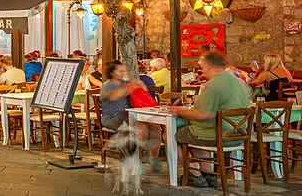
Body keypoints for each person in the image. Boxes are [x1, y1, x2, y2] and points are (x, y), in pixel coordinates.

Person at [170, 51, 251, 188]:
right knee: (194, 134)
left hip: (217, 136)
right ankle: (208, 174)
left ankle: (194, 174)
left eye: (202, 68)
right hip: (239, 136)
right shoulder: (240, 82)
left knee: (171, 135)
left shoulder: (211, 85)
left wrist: (179, 111)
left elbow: (204, 114)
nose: (202, 72)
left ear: (208, 66)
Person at [101, 61, 164, 174]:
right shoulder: (108, 85)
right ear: (112, 72)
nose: (122, 73)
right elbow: (112, 96)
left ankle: (154, 158)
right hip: (113, 117)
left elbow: (142, 92)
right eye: (120, 71)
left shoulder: (125, 82)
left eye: (123, 71)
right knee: (141, 129)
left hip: (130, 115)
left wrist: (139, 85)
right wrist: (129, 88)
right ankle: (136, 161)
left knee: (155, 127)